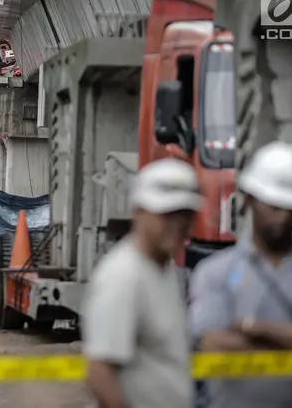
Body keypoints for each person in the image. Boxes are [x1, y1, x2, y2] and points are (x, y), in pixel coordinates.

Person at [190, 141, 292, 408]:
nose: (283, 218)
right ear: (249, 200)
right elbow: (215, 344)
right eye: (275, 206)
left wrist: (256, 329)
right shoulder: (215, 272)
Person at [83, 158, 201, 408]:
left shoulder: (163, 268)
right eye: (165, 215)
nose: (176, 226)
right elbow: (100, 373)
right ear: (138, 213)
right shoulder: (124, 275)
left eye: (184, 216)